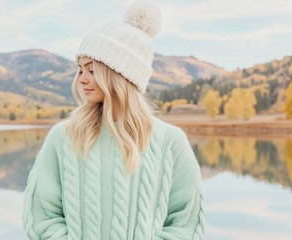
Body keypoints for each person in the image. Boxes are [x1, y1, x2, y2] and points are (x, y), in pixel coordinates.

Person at [22, 0, 205, 239]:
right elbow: (42, 218)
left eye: (91, 69)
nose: (82, 79)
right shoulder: (64, 136)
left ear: (119, 74)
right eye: (79, 70)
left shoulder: (170, 141)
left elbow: (186, 223)